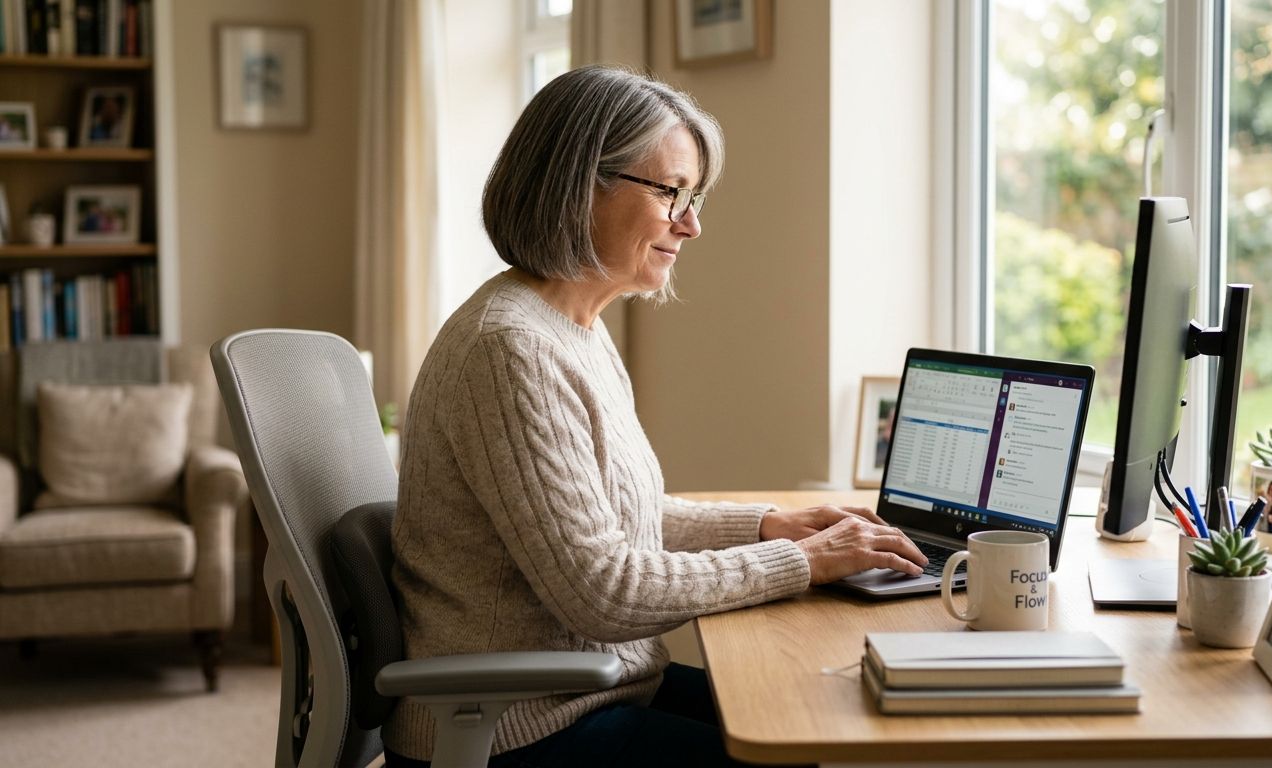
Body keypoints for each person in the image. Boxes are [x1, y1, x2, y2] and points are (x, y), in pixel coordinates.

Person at [384, 66, 929, 768]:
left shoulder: (570, 327)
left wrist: (769, 525)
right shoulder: (510, 348)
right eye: (671, 191)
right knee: (810, 748)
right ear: (579, 185)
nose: (692, 223)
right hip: (519, 730)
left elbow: (613, 518)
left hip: (592, 693)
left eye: (693, 195)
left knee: (818, 717)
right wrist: (801, 562)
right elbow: (604, 592)